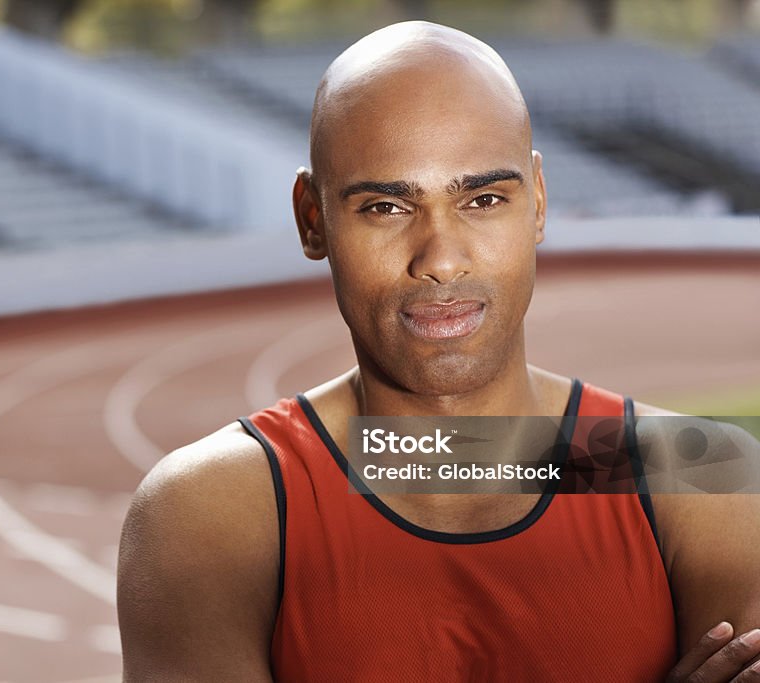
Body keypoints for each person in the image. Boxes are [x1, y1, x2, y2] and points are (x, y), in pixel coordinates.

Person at [116, 21, 760, 682]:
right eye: (386, 208)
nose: (442, 260)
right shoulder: (213, 516)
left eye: (483, 200)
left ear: (537, 202)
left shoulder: (696, 479)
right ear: (314, 218)